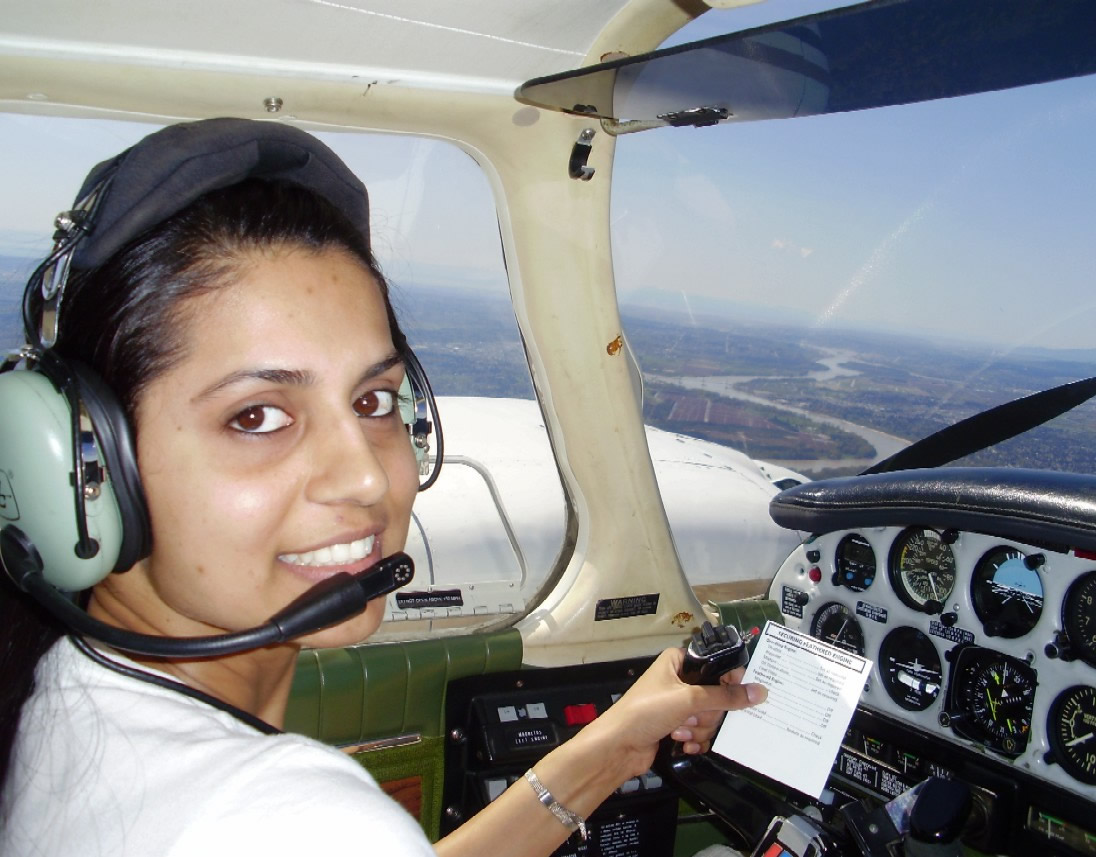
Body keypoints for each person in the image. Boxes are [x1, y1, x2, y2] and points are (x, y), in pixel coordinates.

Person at [0, 118, 765, 856]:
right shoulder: (292, 821)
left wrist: (608, 749)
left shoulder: (76, 689)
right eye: (259, 415)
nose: (369, 476)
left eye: (373, 402)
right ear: (85, 462)